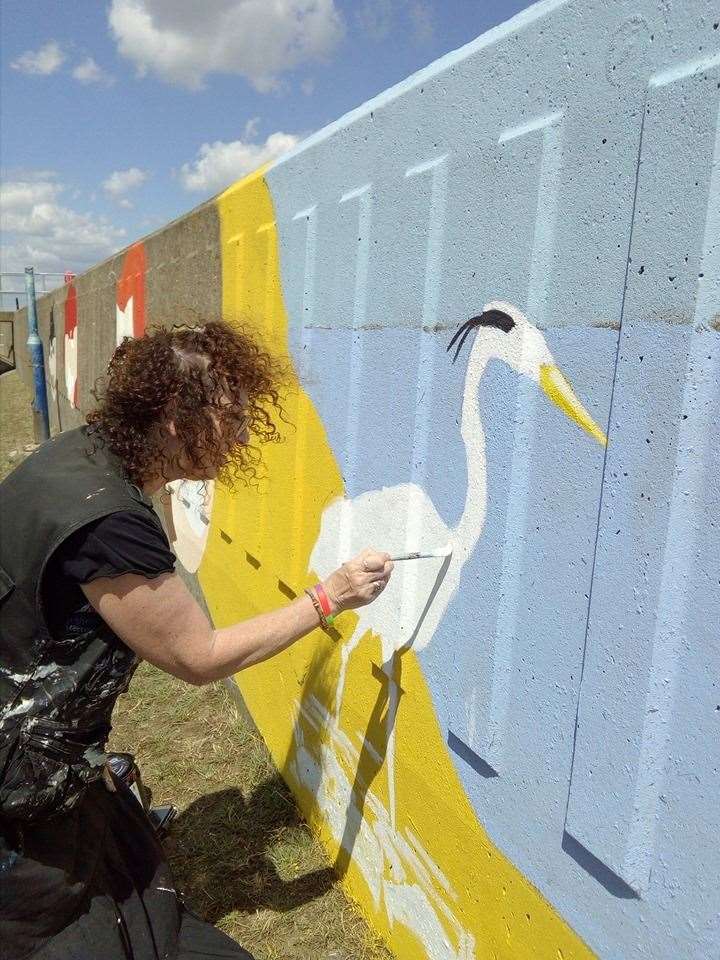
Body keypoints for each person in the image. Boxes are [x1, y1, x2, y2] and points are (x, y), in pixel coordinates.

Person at [0, 321, 394, 960]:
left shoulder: (79, 458)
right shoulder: (109, 523)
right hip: (19, 789)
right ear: (180, 422)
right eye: (230, 418)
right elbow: (197, 656)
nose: (241, 434)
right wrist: (331, 596)